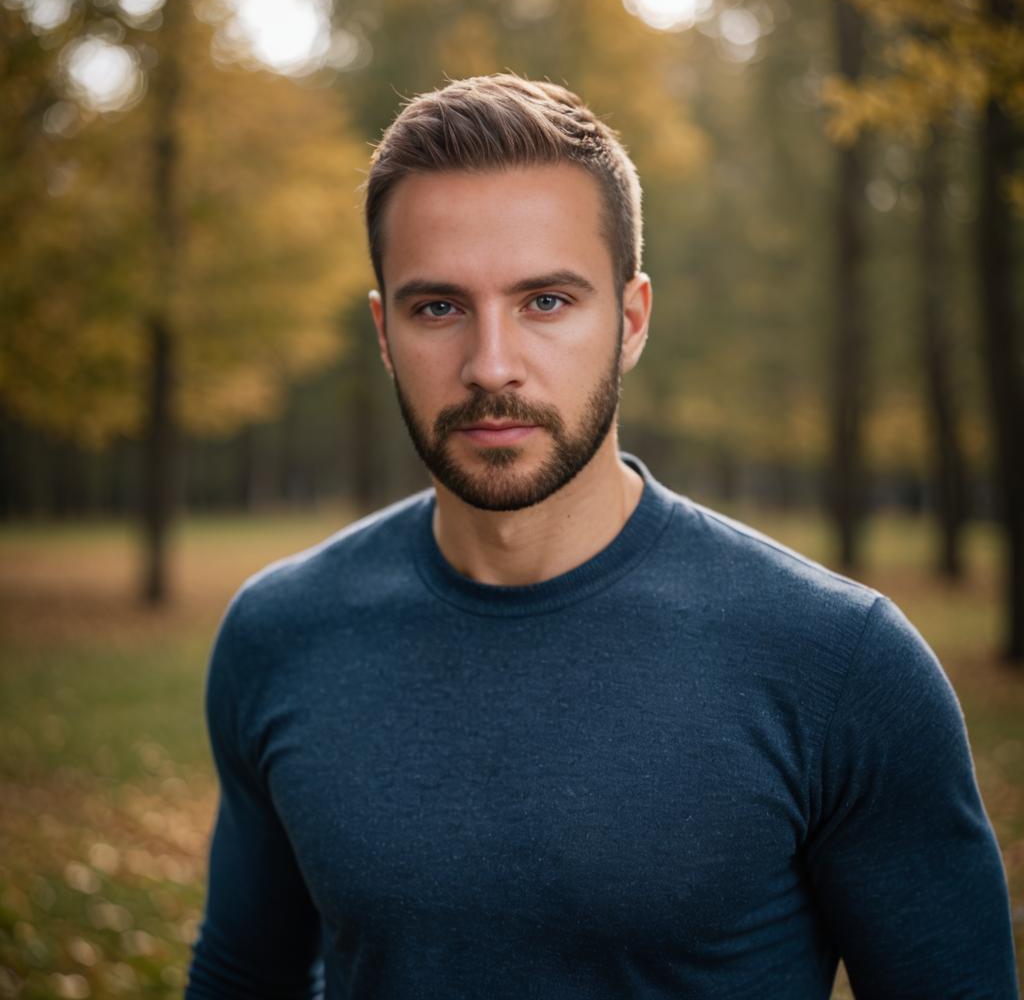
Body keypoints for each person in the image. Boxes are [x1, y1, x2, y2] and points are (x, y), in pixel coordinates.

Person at [185, 75, 1018, 999]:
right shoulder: (281, 635)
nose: (490, 364)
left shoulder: (840, 664)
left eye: (546, 301)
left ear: (630, 321)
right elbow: (241, 975)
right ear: (384, 333)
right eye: (438, 307)